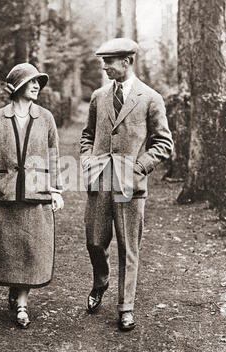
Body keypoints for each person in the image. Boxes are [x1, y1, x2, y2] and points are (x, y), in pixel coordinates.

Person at [80, 38, 173, 331]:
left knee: (128, 247)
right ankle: (101, 281)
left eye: (110, 62)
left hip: (131, 183)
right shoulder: (98, 96)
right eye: (103, 62)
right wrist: (86, 158)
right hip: (100, 180)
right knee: (95, 241)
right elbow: (87, 134)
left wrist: (140, 166)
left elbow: (163, 142)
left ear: (127, 62)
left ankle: (126, 307)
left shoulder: (150, 97)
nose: (105, 67)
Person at [0, 63, 64, 329]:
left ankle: (23, 305)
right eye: (31, 82)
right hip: (6, 194)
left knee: (30, 250)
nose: (37, 86)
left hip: (35, 194)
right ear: (17, 87)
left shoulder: (46, 117)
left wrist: (56, 189)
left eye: (38, 82)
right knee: (11, 251)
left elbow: (53, 155)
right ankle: (15, 290)